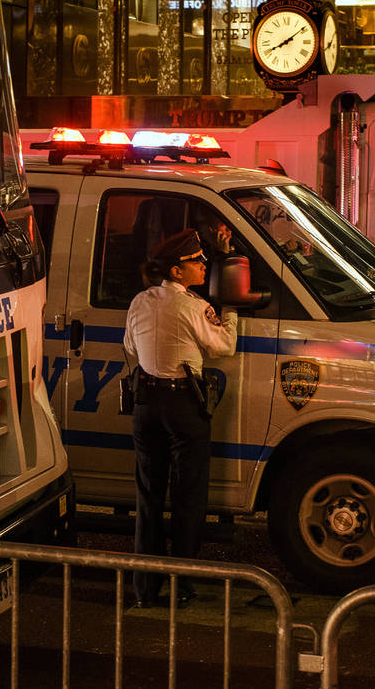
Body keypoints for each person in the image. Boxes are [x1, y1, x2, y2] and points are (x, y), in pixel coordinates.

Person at [123, 228, 238, 608]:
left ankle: (144, 590)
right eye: (196, 262)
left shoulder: (140, 302)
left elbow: (130, 346)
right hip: (182, 406)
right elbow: (224, 346)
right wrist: (232, 312)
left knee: (149, 498)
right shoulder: (193, 307)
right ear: (176, 271)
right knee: (188, 498)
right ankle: (183, 586)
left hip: (146, 405)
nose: (203, 266)